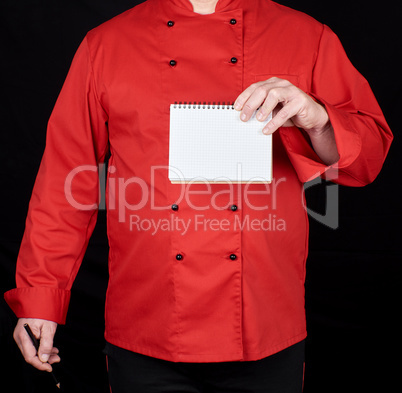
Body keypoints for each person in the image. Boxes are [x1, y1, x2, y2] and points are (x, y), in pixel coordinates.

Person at [4, 0, 392, 392]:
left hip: (266, 326)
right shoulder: (106, 43)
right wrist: (41, 299)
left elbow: (367, 160)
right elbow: (66, 181)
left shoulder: (307, 37)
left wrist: (318, 118)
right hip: (146, 326)